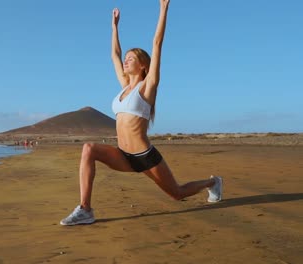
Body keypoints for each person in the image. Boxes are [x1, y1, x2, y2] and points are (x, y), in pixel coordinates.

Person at [60, 0, 223, 226]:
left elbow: (157, 44)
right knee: (89, 149)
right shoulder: (123, 87)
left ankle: (212, 182)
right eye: (126, 58)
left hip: (144, 156)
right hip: (123, 155)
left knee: (176, 193)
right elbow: (114, 55)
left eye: (131, 59)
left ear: (143, 65)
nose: (126, 61)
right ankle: (85, 209)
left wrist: (163, 9)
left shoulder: (147, 87)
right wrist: (114, 27)